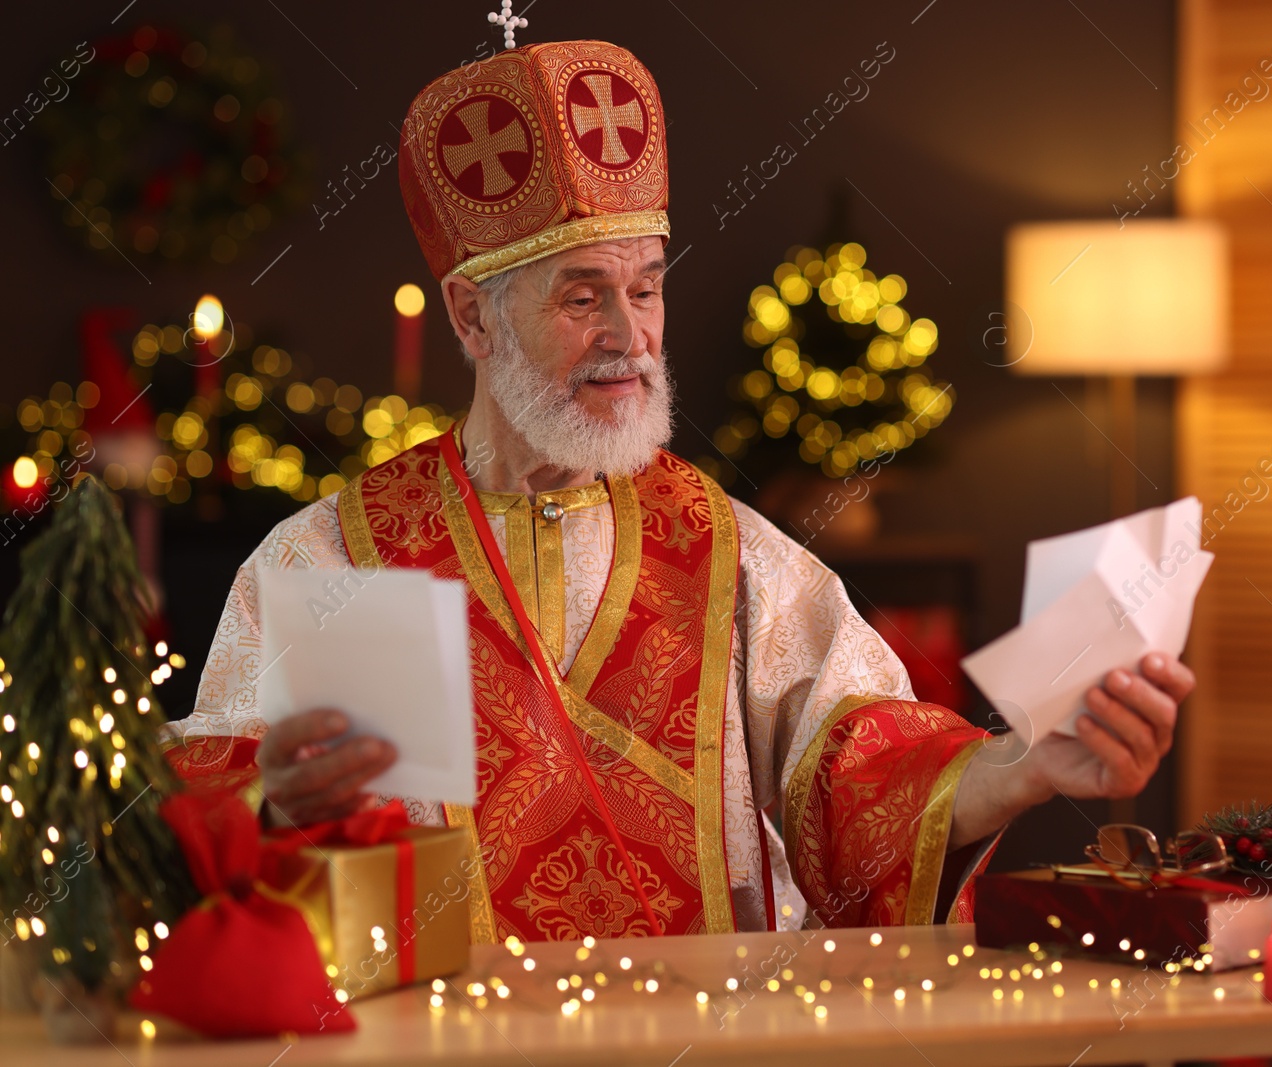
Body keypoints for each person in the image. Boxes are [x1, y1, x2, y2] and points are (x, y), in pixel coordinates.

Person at [162, 37, 1194, 942]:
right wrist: (273, 801)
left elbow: (863, 772)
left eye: (645, 286)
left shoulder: (736, 552)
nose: (629, 335)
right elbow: (200, 819)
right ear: (473, 318)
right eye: (582, 296)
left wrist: (1026, 764)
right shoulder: (327, 559)